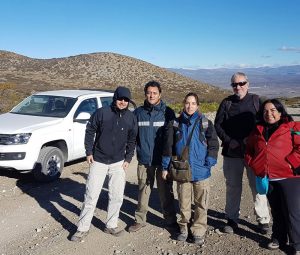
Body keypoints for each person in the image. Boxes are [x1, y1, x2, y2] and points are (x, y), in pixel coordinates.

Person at [71, 86, 138, 242]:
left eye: (126, 100)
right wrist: (89, 152)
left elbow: (132, 139)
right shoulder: (102, 113)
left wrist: (128, 158)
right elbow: (90, 130)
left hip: (119, 163)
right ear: (115, 98)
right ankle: (82, 228)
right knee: (91, 195)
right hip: (98, 161)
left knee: (116, 196)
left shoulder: (130, 117)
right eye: (120, 98)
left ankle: (111, 225)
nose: (123, 102)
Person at [214, 72, 270, 234]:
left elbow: (265, 124)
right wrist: (229, 140)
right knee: (232, 187)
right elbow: (218, 125)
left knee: (257, 186)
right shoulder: (226, 103)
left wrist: (251, 140)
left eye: (241, 83)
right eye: (234, 84)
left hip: (254, 154)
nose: (238, 87)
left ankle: (263, 219)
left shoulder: (256, 101)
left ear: (248, 84)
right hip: (232, 153)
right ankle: (232, 219)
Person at [161, 92, 219, 245]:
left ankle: (198, 230)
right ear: (183, 104)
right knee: (183, 202)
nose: (190, 106)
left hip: (201, 171)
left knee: (201, 203)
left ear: (197, 105)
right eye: (187, 103)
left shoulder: (205, 123)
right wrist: (165, 167)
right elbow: (168, 147)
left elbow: (213, 144)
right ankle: (184, 229)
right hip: (182, 170)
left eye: (193, 103)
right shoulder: (175, 123)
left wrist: (210, 161)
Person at [245, 99, 300, 254]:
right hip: (268, 177)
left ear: (281, 111)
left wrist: (291, 163)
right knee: (276, 210)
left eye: (273, 110)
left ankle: (297, 243)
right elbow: (249, 149)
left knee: (292, 211)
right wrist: (254, 164)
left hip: (290, 177)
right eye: (265, 111)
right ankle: (279, 238)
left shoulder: (291, 127)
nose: (269, 114)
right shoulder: (257, 130)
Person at [128, 80, 177, 232]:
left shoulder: (167, 112)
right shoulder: (138, 113)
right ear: (145, 94)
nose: (151, 95)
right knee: (143, 190)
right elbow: (132, 136)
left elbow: (173, 137)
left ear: (160, 94)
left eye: (154, 93)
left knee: (165, 192)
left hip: (162, 161)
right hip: (144, 160)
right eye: (149, 92)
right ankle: (140, 219)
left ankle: (170, 220)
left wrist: (171, 159)